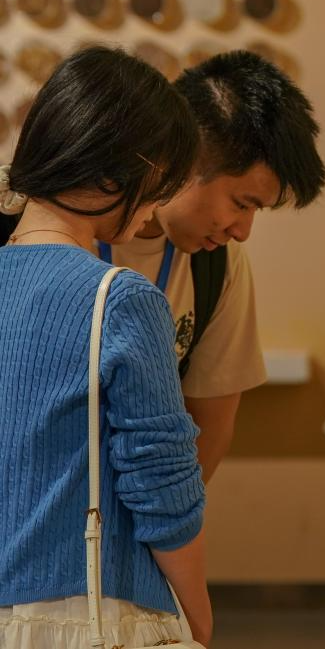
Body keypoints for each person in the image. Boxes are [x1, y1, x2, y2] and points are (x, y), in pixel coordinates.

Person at [0, 47, 211, 647]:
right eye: (158, 186)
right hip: (83, 615)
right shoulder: (120, 299)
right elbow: (162, 486)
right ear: (115, 175)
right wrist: (198, 614)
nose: (152, 211)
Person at [99, 51, 325, 482]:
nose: (242, 231)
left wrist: (165, 517)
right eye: (241, 204)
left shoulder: (218, 265)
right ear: (184, 157)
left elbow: (212, 426)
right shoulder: (44, 231)